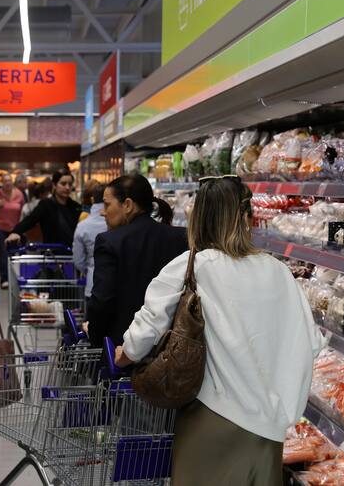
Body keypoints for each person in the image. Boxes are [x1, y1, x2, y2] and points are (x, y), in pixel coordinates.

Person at [115, 175, 326, 485]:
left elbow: (143, 332)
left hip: (210, 415)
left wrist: (125, 356)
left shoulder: (192, 266)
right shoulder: (279, 272)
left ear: (198, 218)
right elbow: (311, 344)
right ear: (245, 217)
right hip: (268, 427)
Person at [86, 174, 187, 348]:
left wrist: (94, 337)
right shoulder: (181, 237)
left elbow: (102, 301)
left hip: (122, 347)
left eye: (107, 204)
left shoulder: (109, 242)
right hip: (169, 347)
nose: (103, 212)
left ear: (127, 205)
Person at [6, 171, 81, 246]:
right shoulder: (46, 205)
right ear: (54, 185)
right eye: (63, 184)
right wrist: (15, 232)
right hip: (52, 253)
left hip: (74, 252)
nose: (67, 187)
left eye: (70, 184)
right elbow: (31, 220)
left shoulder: (76, 207)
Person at [0, 174, 25, 289]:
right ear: (2, 183)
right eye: (5, 181)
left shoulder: (19, 194)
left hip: (14, 229)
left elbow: (23, 210)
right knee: (3, 252)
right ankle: (4, 279)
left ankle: (13, 276)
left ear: (12, 182)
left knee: (12, 253)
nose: (7, 183)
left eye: (9, 181)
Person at [72, 183, 107, 300]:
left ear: (93, 199)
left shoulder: (83, 226)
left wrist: (89, 269)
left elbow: (78, 260)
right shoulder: (122, 224)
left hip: (92, 284)